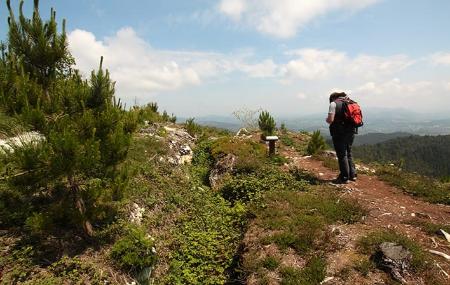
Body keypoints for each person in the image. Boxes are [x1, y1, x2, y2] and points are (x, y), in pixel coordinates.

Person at [326, 92, 357, 184]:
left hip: (339, 132)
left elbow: (330, 120)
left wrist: (327, 119)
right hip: (351, 131)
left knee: (342, 154)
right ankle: (353, 175)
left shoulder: (333, 104)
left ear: (333, 98)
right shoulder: (351, 102)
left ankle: (344, 177)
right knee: (349, 153)